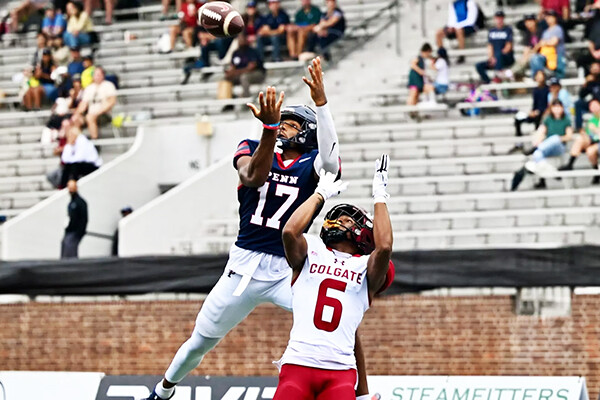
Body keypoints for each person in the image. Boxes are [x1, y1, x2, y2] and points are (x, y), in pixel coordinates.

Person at [141, 57, 370, 400]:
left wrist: (321, 104)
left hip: (289, 269)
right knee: (199, 343)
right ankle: (163, 391)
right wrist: (268, 129)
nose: (284, 128)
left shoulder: (312, 163)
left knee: (340, 318)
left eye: (290, 125)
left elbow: (332, 162)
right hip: (243, 265)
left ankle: (362, 392)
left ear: (306, 131)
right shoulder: (255, 146)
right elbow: (253, 176)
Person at [274, 156, 393, 399]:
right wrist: (320, 194)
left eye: (348, 220)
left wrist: (379, 196)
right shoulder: (313, 248)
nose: (340, 221)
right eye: (337, 218)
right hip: (298, 364)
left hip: (339, 372)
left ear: (365, 233)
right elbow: (289, 231)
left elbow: (385, 247)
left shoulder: (365, 266)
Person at [511, 99, 573, 190]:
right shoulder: (548, 119)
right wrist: (537, 140)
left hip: (559, 146)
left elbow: (569, 136)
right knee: (538, 154)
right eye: (555, 107)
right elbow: (541, 132)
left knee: (554, 138)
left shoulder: (566, 120)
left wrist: (558, 138)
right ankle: (549, 169)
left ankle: (535, 148)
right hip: (547, 147)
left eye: (558, 107)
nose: (557, 109)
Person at [559, 98, 600, 184]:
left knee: (590, 151)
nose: (594, 108)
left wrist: (595, 129)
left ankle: (596, 173)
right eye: (591, 106)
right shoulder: (591, 120)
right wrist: (584, 133)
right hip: (592, 141)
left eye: (595, 105)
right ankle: (570, 163)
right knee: (579, 139)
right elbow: (588, 134)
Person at [510, 70, 549, 153]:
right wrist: (532, 111)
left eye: (540, 75)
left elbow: (546, 105)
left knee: (538, 119)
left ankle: (536, 144)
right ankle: (519, 143)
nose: (539, 77)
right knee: (517, 119)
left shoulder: (547, 89)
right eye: (537, 75)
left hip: (542, 114)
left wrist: (538, 111)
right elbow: (535, 104)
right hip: (535, 113)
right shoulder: (535, 90)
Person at [73, 66, 116, 139]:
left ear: (103, 75)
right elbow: (83, 104)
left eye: (99, 74)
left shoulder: (108, 85)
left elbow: (112, 101)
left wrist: (98, 112)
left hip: (104, 114)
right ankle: (78, 143)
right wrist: (76, 114)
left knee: (90, 117)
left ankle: (95, 142)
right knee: (76, 120)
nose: (97, 77)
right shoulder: (89, 88)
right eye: (95, 75)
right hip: (91, 113)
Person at [475, 11, 514, 84]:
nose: (499, 20)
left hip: (506, 57)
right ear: (495, 19)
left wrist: (497, 57)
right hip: (496, 58)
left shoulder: (508, 30)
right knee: (479, 65)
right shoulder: (492, 31)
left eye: (501, 18)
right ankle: (488, 81)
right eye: (498, 18)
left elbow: (508, 46)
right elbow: (490, 46)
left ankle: (497, 77)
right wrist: (491, 57)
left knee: (499, 55)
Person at [223, 33, 266, 98]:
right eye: (239, 39)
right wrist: (230, 73)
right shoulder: (235, 53)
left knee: (244, 77)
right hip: (241, 73)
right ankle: (229, 100)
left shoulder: (252, 51)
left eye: (242, 38)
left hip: (257, 73)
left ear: (246, 40)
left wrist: (236, 72)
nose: (240, 40)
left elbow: (251, 68)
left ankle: (246, 99)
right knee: (227, 78)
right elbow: (233, 67)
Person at [529, 10, 565, 78]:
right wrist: (535, 49)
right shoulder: (545, 31)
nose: (548, 18)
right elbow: (540, 44)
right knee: (534, 58)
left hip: (556, 56)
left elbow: (554, 42)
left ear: (555, 18)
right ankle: (537, 76)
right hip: (545, 55)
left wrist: (544, 43)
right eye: (547, 16)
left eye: (551, 16)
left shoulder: (558, 29)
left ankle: (543, 74)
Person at [61, 179, 88, 259]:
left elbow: (84, 218)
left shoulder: (80, 202)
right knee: (65, 248)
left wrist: (80, 232)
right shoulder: (72, 202)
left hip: (75, 231)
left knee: (70, 251)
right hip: (70, 231)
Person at [512, 14, 542, 78]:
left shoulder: (540, 31)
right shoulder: (527, 33)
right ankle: (513, 73)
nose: (529, 23)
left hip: (540, 55)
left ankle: (511, 73)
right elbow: (527, 48)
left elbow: (540, 44)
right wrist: (525, 57)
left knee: (528, 58)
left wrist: (528, 54)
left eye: (531, 21)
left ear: (535, 21)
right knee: (520, 60)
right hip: (531, 55)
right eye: (527, 22)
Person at [575, 61, 600, 132]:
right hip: (594, 104)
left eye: (597, 68)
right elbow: (582, 95)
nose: (595, 70)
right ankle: (579, 128)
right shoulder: (590, 81)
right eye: (593, 68)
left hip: (597, 103)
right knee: (578, 103)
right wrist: (585, 83)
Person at [406, 43, 433, 107]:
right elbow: (412, 65)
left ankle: (414, 111)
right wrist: (421, 71)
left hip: (419, 79)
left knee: (416, 95)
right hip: (414, 79)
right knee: (413, 94)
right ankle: (409, 109)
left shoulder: (423, 60)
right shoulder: (418, 57)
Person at [576, 10, 600, 75]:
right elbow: (591, 41)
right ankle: (587, 77)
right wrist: (593, 52)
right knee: (581, 59)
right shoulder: (596, 25)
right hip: (595, 53)